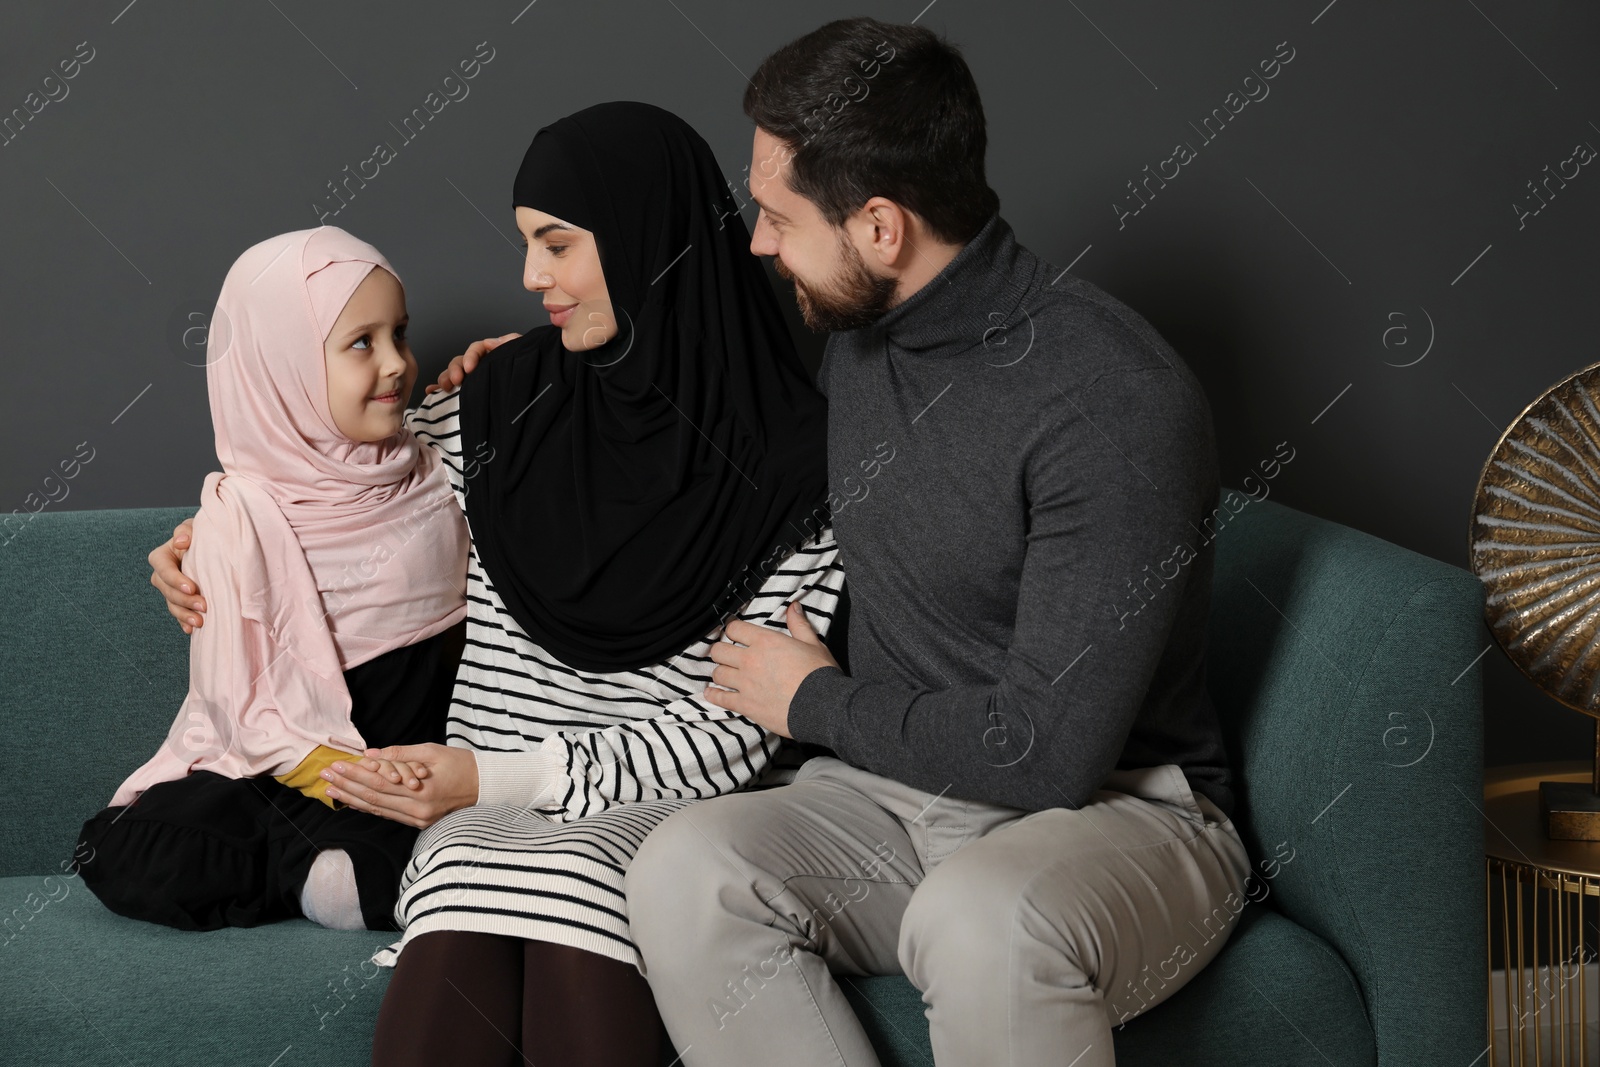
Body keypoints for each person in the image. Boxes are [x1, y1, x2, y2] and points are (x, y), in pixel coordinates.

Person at [146, 101, 847, 1067]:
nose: (529, 279)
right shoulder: (498, 414)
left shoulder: (808, 473)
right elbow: (321, 488)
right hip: (477, 809)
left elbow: (735, 736)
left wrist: (498, 777)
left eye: (556, 244)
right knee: (468, 868)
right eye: (525, 245)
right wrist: (204, 539)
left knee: (574, 880)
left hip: (660, 809)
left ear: (655, 241)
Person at [617, 18, 1253, 1067]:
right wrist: (521, 381)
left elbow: (1048, 751)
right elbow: (716, 404)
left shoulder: (1112, 399)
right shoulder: (862, 341)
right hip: (895, 799)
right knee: (682, 864)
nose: (758, 242)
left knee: (979, 916)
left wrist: (815, 699)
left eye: (776, 215)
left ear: (879, 227)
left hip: (1122, 811)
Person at [80, 227, 471, 934]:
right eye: (362, 342)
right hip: (295, 758)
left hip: (424, 746)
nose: (396, 363)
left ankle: (343, 864)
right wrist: (341, 775)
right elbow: (242, 708)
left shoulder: (438, 460)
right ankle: (306, 868)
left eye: (401, 334)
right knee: (137, 839)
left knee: (430, 835)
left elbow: (539, 397)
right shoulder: (239, 516)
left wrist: (501, 363)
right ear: (280, 365)